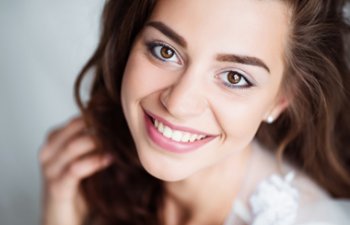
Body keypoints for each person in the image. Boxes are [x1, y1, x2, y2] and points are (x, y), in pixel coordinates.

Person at [39, 0, 350, 224]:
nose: (178, 104)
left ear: (280, 100)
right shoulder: (92, 177)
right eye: (165, 51)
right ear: (129, 43)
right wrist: (60, 209)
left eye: (234, 77)